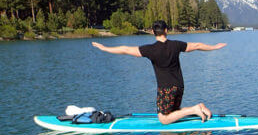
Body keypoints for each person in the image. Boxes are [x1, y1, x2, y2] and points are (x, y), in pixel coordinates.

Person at [92, 20, 226, 124]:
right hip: (180, 86)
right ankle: (200, 108)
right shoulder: (176, 45)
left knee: (163, 119)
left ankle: (194, 109)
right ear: (166, 30)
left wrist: (105, 48)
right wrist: (214, 47)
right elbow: (197, 45)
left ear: (153, 32)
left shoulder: (150, 49)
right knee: (174, 112)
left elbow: (126, 49)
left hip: (166, 89)